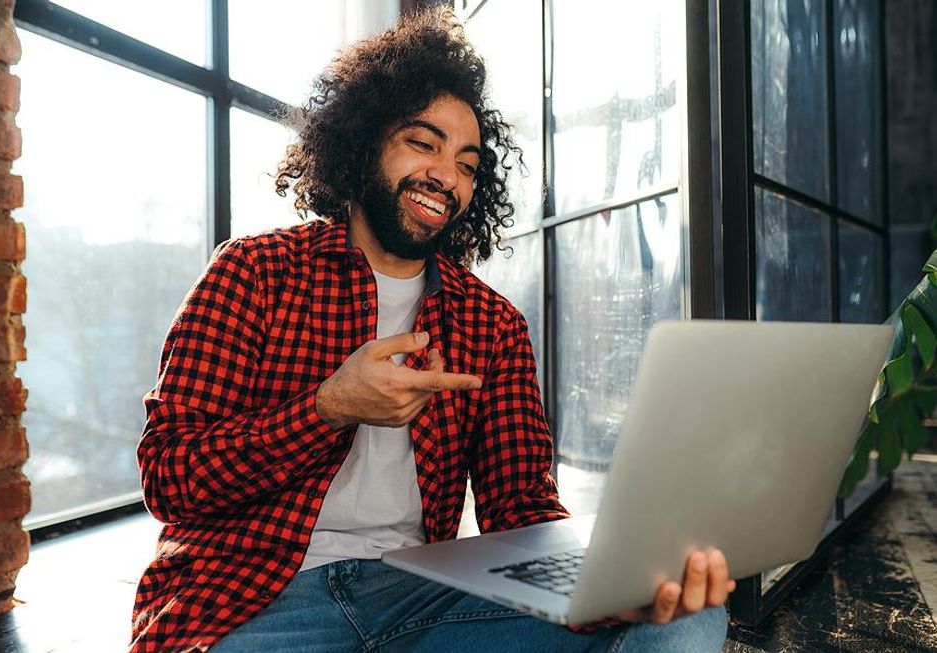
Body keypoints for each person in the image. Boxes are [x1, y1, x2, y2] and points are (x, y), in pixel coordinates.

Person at [129, 8, 731, 652]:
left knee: (686, 614)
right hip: (253, 596)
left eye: (468, 164)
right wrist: (328, 409)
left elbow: (521, 511)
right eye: (423, 143)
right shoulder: (253, 271)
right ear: (363, 146)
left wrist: (621, 570)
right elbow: (171, 479)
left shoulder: (491, 324)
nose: (447, 176)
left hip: (418, 595)